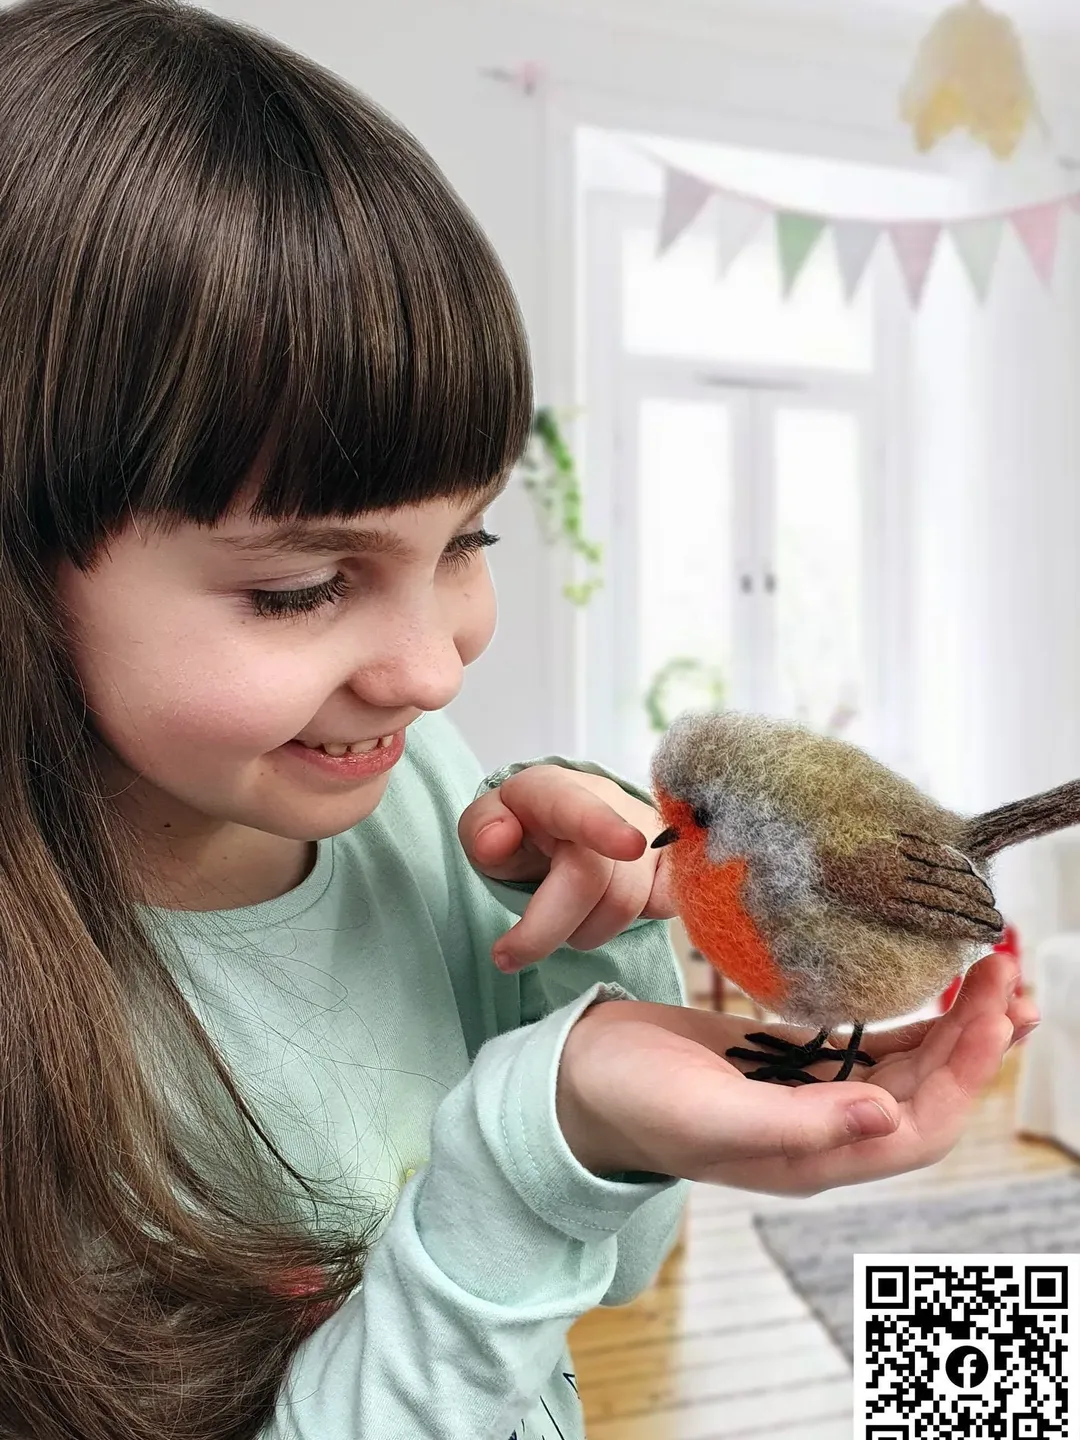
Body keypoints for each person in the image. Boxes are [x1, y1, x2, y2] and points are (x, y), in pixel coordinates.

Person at [0, 1, 1037, 1438]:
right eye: (304, 588)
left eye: (471, 540)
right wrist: (523, 1136)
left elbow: (609, 1272)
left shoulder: (421, 789)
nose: (433, 671)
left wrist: (576, 1025)